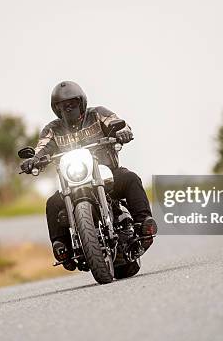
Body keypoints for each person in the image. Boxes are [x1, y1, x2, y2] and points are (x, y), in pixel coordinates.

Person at [21, 81, 157, 271]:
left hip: (107, 174)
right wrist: (34, 159)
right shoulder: (52, 129)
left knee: (131, 178)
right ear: (56, 108)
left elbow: (118, 124)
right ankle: (62, 246)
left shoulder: (98, 113)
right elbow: (43, 147)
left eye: (72, 103)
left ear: (82, 102)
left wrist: (123, 132)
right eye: (63, 105)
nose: (68, 108)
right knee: (53, 202)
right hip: (74, 181)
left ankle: (144, 223)